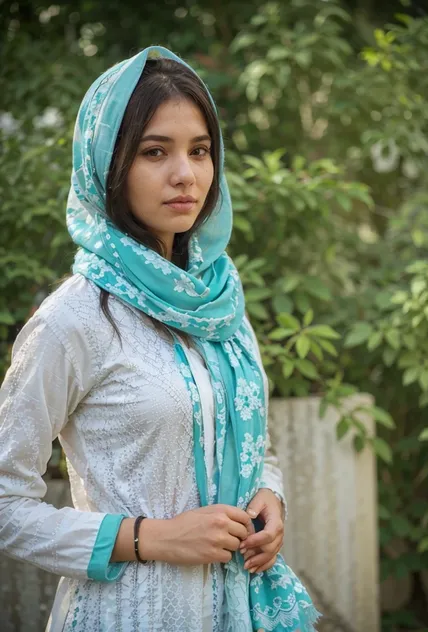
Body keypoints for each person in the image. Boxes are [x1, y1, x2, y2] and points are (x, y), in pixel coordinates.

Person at [0, 46, 321, 631]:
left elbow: (251, 444)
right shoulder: (73, 319)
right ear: (109, 165)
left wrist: (268, 500)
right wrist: (152, 538)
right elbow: (4, 506)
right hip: (130, 613)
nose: (186, 174)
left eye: (200, 151)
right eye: (155, 152)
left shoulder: (219, 299)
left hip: (238, 607)